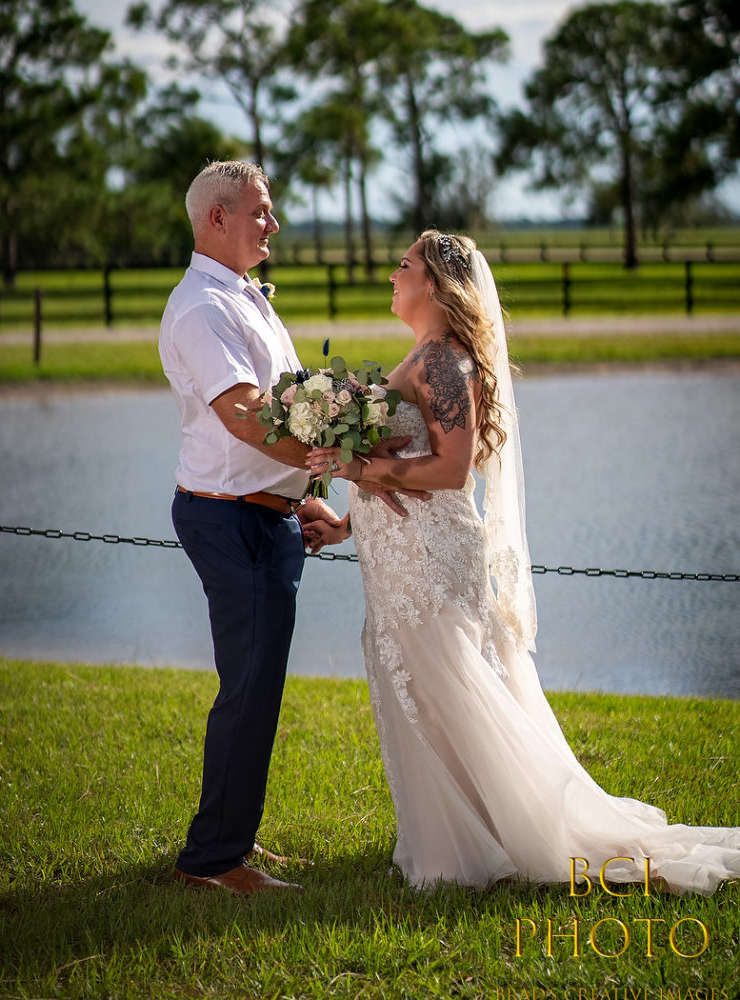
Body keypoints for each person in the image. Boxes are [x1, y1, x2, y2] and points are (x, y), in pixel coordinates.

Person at [308, 229, 740, 895]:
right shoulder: (423, 356)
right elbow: (408, 469)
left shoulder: (445, 364)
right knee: (427, 691)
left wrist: (353, 463)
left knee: (449, 684)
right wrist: (344, 520)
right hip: (402, 555)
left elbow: (449, 470)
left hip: (430, 559)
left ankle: (488, 845)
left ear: (437, 285)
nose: (393, 274)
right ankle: (460, 833)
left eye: (405, 265)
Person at [159, 160, 382, 895]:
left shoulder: (241, 296)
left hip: (266, 516)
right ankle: (213, 862)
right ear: (216, 218)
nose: (273, 224)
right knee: (248, 687)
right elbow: (246, 414)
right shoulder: (202, 308)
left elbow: (281, 410)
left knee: (259, 687)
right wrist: (344, 463)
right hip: (230, 521)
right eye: (260, 211)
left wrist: (303, 492)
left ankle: (234, 839)